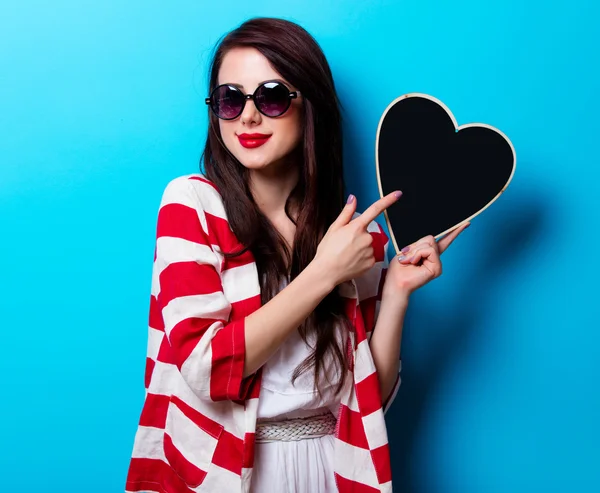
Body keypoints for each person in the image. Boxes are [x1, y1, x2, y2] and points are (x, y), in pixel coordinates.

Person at [125, 16, 469, 493]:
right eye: (230, 99)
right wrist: (324, 274)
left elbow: (368, 400)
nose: (247, 117)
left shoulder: (345, 231)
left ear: (310, 107)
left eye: (270, 96)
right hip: (231, 472)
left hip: (328, 468)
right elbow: (206, 368)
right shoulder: (193, 204)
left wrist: (395, 294)